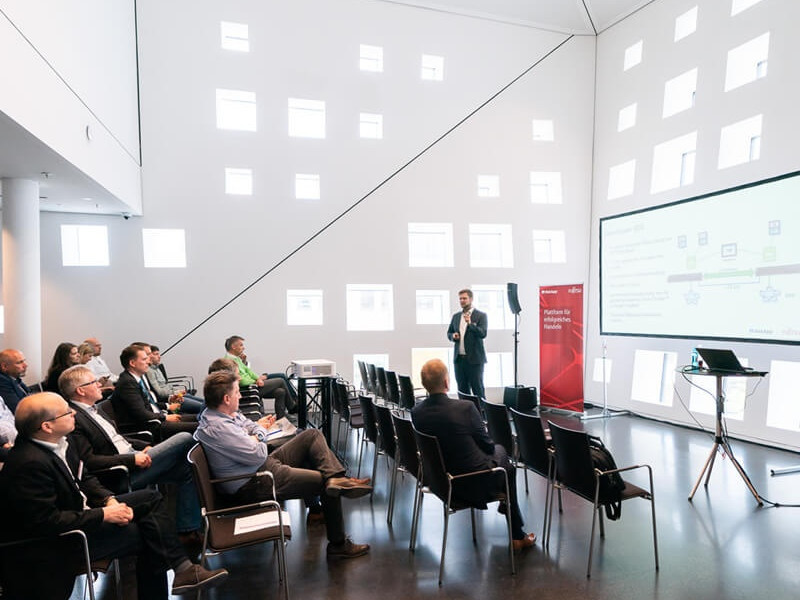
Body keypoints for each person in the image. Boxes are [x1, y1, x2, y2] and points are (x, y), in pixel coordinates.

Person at [0, 392, 228, 599]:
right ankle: (178, 576)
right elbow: (48, 522)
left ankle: (183, 570)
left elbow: (85, 478)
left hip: (83, 513)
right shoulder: (29, 464)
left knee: (150, 499)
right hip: (61, 542)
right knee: (150, 534)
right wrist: (104, 514)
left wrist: (108, 499)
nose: (73, 414)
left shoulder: (60, 443)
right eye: (66, 413)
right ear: (47, 426)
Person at [194, 369, 372, 558]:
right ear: (226, 398)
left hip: (259, 468)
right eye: (237, 392)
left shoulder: (222, 414)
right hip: (253, 482)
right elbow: (258, 452)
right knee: (324, 482)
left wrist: (255, 434)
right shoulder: (219, 428)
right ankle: (338, 544)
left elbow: (250, 425)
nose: (240, 395)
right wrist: (259, 433)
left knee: (311, 436)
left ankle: (336, 478)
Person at [61, 365, 202, 544]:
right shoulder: (74, 419)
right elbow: (89, 461)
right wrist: (132, 459)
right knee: (185, 438)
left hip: (135, 456)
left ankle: (187, 531)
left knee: (186, 469)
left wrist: (144, 447)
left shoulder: (94, 409)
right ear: (80, 390)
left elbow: (117, 438)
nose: (99, 385)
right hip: (121, 472)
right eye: (93, 382)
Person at [411, 359, 535, 551]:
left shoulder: (416, 412)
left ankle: (514, 523)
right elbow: (487, 446)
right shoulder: (465, 408)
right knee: (502, 454)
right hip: (472, 483)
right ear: (446, 382)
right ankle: (516, 532)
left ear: (424, 384)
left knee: (506, 467)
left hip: (441, 483)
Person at [111, 344, 197, 439]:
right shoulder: (127, 383)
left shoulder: (134, 380)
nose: (148, 362)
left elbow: (149, 404)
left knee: (199, 418)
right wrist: (164, 417)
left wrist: (166, 409)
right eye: (144, 359)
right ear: (132, 363)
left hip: (157, 418)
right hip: (151, 427)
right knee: (199, 426)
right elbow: (141, 413)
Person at [224, 335, 297, 419]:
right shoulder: (229, 361)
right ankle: (292, 407)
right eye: (241, 345)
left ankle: (281, 419)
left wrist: (258, 378)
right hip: (248, 389)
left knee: (280, 391)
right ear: (233, 347)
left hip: (252, 385)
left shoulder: (236, 358)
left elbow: (248, 371)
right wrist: (254, 381)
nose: (243, 348)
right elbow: (241, 381)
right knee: (281, 380)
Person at [446, 288, 488, 399]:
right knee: (462, 390)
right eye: (460, 299)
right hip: (459, 360)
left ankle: (481, 410)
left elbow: (483, 333)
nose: (462, 301)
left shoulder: (481, 315)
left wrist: (470, 324)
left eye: (464, 298)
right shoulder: (456, 317)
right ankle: (465, 410)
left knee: (478, 389)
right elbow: (449, 333)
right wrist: (453, 336)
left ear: (471, 299)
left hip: (475, 360)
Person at [144, 344, 204, 414]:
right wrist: (175, 392)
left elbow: (166, 385)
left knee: (206, 403)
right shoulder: (149, 371)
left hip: (174, 395)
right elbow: (160, 393)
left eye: (159, 354)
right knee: (203, 407)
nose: (159, 356)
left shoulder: (157, 368)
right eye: (156, 354)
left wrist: (177, 391)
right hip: (170, 399)